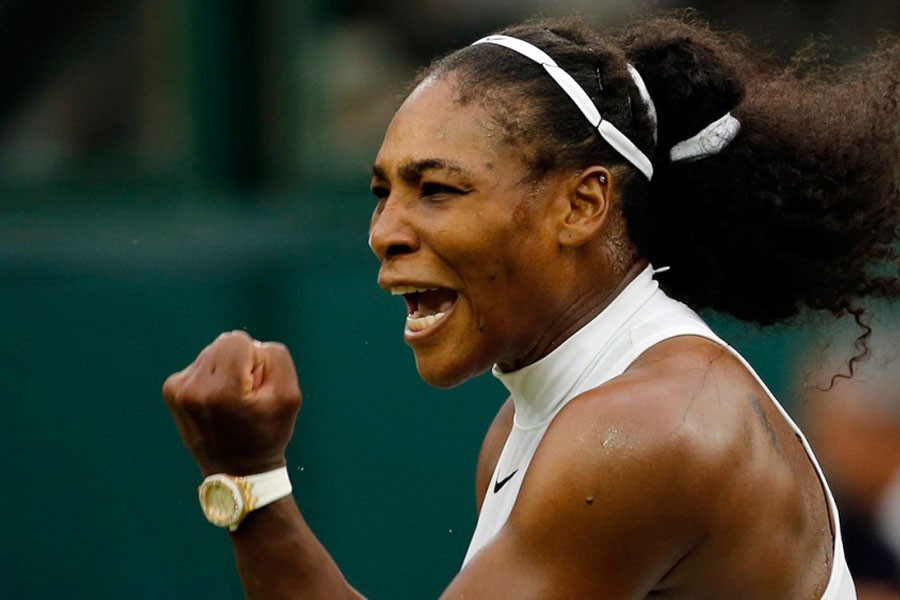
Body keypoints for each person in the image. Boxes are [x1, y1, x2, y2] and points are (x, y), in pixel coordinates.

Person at [163, 13, 900, 599]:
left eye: (438, 189)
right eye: (382, 191)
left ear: (583, 204)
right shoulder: (540, 417)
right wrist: (248, 478)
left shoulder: (644, 433)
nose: (384, 232)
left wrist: (250, 481)